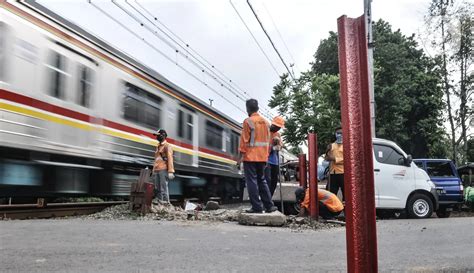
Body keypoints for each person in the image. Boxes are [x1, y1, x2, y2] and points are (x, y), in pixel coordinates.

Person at [238, 99, 277, 213]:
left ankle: (256, 207)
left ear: (248, 108)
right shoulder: (266, 123)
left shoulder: (248, 121)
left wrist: (239, 158)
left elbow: (244, 142)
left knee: (251, 181)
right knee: (262, 180)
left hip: (250, 157)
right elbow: (268, 142)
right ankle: (269, 206)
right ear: (257, 108)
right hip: (263, 157)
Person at [152, 129, 175, 203]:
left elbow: (170, 158)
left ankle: (166, 204)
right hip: (157, 170)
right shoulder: (158, 146)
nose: (157, 137)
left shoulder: (167, 146)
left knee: (163, 188)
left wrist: (170, 171)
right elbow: (156, 159)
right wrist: (153, 170)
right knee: (157, 188)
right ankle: (160, 204)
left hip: (163, 170)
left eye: (158, 135)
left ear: (163, 135)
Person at [265, 116, 285, 197]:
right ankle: (265, 199)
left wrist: (278, 146)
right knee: (267, 180)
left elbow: (281, 146)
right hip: (266, 160)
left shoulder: (278, 134)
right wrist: (272, 147)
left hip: (275, 161)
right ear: (273, 124)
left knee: (274, 181)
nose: (278, 129)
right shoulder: (265, 132)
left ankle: (269, 198)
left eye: (279, 127)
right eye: (277, 127)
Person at [325, 126, 344, 201]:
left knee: (346, 194)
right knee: (330, 194)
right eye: (338, 133)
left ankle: (346, 210)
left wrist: (334, 159)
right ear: (335, 134)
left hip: (343, 173)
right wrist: (327, 152)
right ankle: (332, 211)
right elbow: (326, 158)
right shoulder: (331, 145)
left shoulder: (348, 146)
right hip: (333, 173)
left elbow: (348, 159)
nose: (339, 135)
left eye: (341, 133)